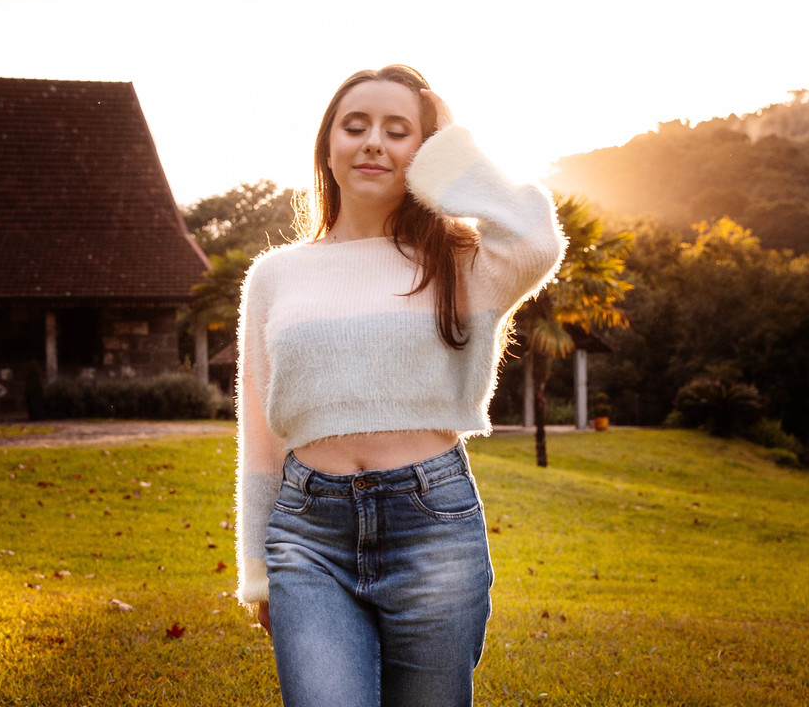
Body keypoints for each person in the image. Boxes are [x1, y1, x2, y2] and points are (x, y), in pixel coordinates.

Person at [234, 64, 566, 707]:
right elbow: (260, 433)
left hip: (432, 527)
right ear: (328, 147)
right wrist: (256, 569)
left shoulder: (465, 262)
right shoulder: (275, 277)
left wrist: (452, 145)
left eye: (399, 130)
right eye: (354, 127)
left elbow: (536, 238)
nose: (373, 143)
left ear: (422, 151)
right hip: (308, 534)